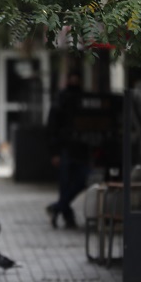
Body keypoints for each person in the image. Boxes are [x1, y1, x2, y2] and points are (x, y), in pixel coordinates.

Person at [46, 71, 90, 229]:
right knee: (66, 184)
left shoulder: (83, 99)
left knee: (80, 180)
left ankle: (57, 208)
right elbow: (52, 127)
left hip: (80, 149)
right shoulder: (61, 99)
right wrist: (55, 152)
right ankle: (66, 215)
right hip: (65, 149)